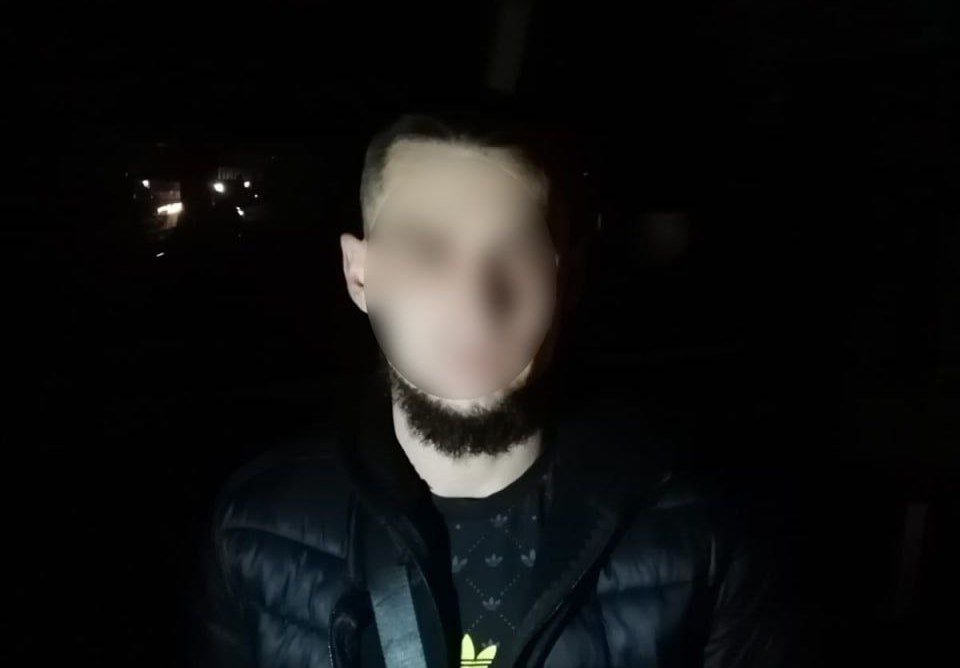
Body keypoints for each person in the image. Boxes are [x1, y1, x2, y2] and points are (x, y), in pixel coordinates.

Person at [188, 109, 794, 667]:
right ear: (359, 275)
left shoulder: (700, 532)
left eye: (518, 252)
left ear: (568, 279)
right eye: (426, 251)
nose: (475, 304)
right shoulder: (255, 525)